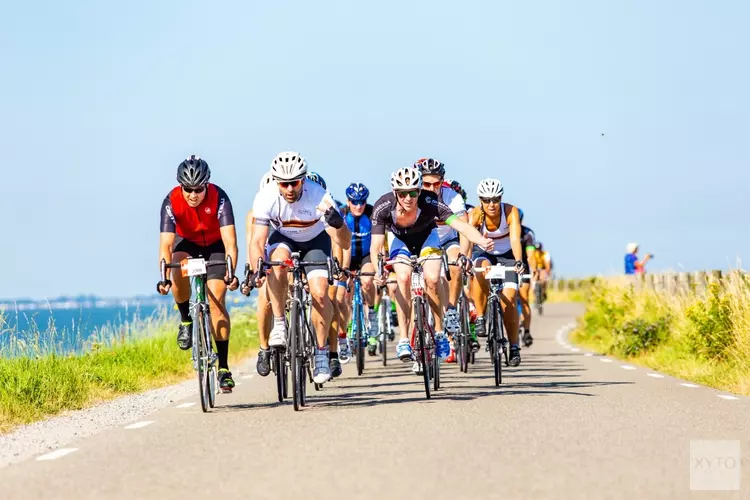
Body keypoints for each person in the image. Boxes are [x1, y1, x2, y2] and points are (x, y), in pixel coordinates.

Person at [371, 166, 494, 374]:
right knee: (402, 277)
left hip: (427, 239)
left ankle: (438, 331)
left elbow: (461, 226)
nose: (408, 198)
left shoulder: (430, 201)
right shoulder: (383, 206)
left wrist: (481, 240)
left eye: (413, 192)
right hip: (400, 241)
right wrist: (378, 270)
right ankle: (403, 337)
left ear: (420, 191)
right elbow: (375, 246)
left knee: (432, 277)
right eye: (403, 193)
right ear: (395, 193)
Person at [248, 152, 351, 385]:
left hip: (316, 242)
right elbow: (257, 241)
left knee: (320, 293)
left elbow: (344, 241)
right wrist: (257, 267)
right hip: (284, 238)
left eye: (294, 183)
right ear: (276, 182)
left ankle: (322, 352)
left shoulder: (320, 197)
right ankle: (280, 324)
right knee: (276, 263)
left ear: (303, 179)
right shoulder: (266, 197)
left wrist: (340, 224)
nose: (289, 189)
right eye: (283, 184)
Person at [157, 155, 240, 392]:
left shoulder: (220, 198)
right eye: (188, 189)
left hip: (215, 247)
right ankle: (185, 319)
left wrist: (231, 272)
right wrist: (163, 276)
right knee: (176, 266)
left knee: (217, 300)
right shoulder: (171, 201)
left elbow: (230, 242)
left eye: (199, 189)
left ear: (207, 185)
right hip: (188, 244)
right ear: (180, 186)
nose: (193, 195)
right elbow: (165, 245)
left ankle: (223, 367)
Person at [416, 159, 479, 362]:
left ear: (443, 181)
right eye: (427, 184)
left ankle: (451, 310)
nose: (432, 188)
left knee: (455, 265)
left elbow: (465, 231)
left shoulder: (453, 197)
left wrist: (464, 256)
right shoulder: (413, 197)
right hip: (425, 240)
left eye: (437, 183)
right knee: (431, 279)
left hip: (450, 239)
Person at [468, 178, 525, 367]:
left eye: (495, 199)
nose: (491, 204)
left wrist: (518, 261)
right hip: (484, 253)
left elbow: (515, 238)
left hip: (508, 256)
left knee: (509, 300)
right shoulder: (476, 214)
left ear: (501, 198)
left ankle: (514, 346)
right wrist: (466, 259)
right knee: (480, 270)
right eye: (486, 200)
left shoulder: (510, 211)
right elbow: (468, 239)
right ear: (480, 200)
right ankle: (481, 316)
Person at [517, 208, 536, 347]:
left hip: (523, 268)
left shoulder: (527, 234)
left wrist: (534, 269)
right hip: (506, 266)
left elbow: (530, 255)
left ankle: (527, 331)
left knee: (524, 298)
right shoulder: (504, 232)